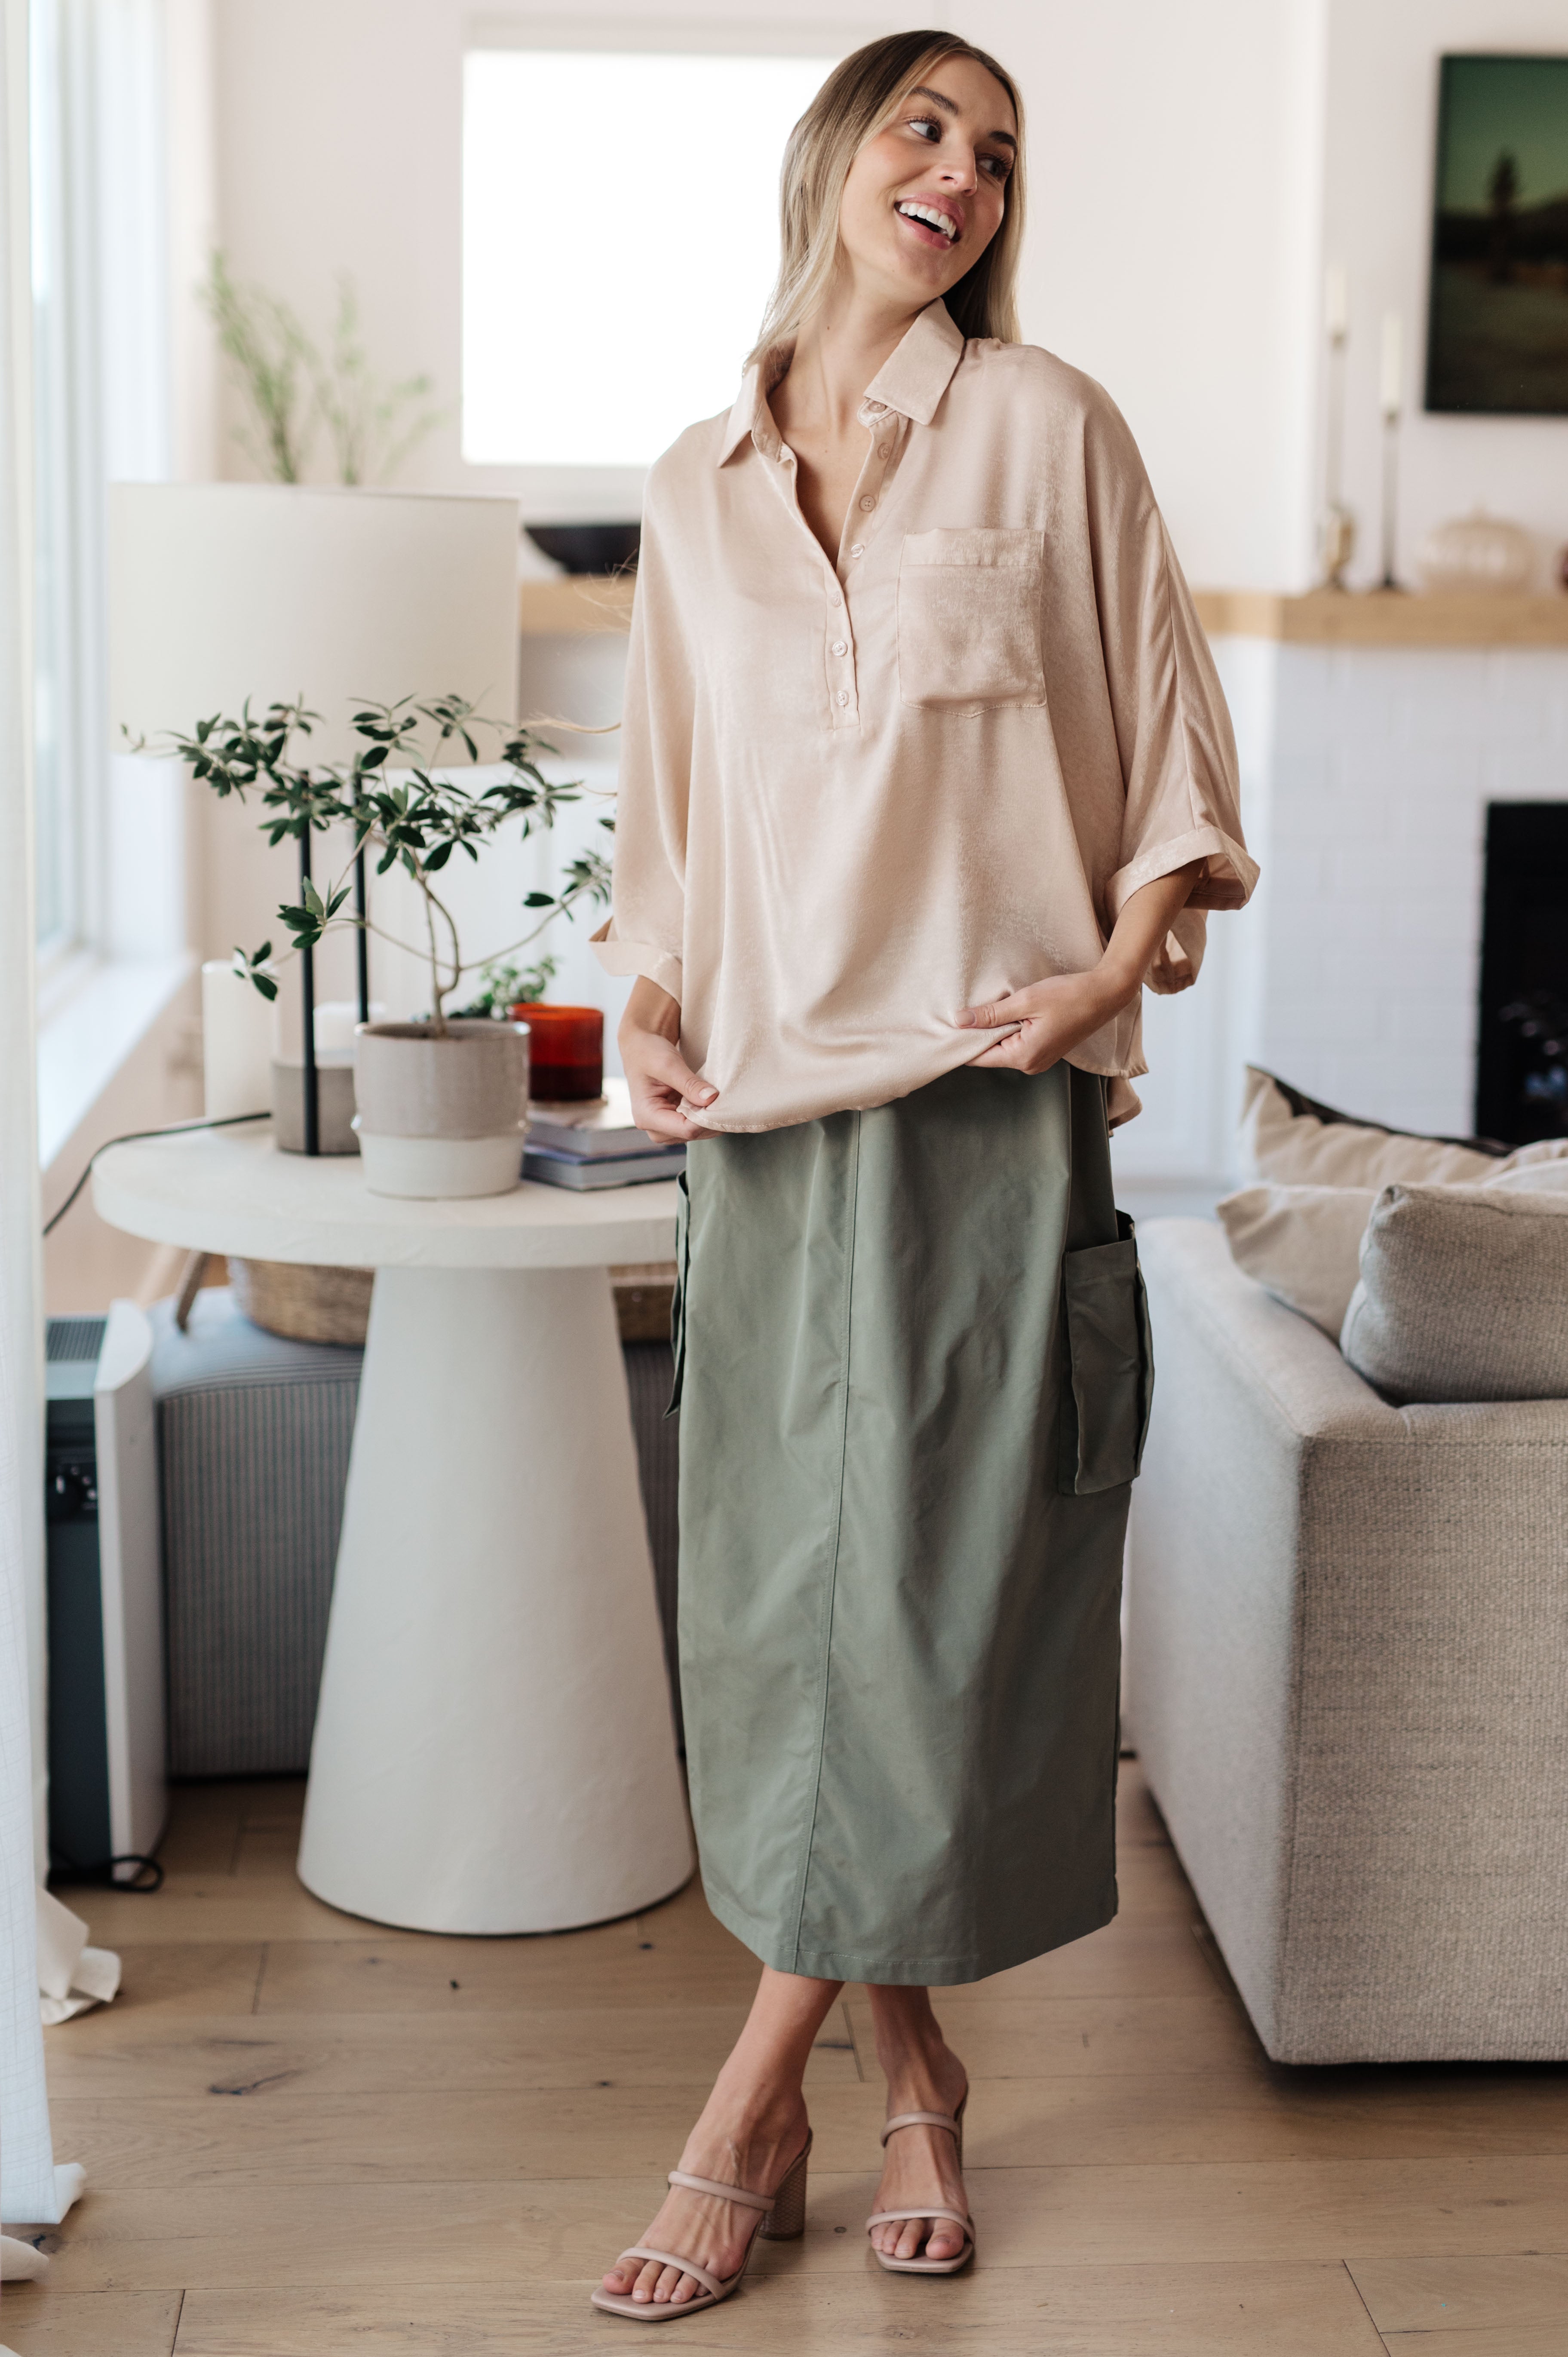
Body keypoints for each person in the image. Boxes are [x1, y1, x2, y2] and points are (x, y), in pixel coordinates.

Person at [589, 27, 1256, 2323]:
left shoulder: (1050, 429)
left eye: (995, 148)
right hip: (766, 1135)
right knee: (796, 1631)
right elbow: (668, 810)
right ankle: (918, 2082)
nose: (961, 172)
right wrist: (651, 999)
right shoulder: (695, 485)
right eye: (923, 126)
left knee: (947, 1624)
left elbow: (1175, 756)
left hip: (990, 1111)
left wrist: (1099, 985)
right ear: (836, 155)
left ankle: (744, 2103)